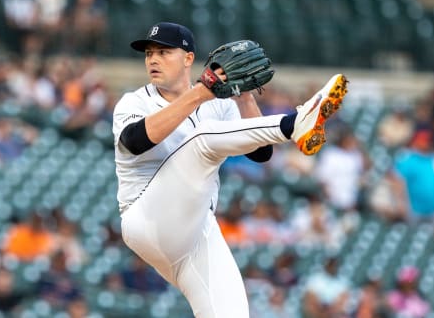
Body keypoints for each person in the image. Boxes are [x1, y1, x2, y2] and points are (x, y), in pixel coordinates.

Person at [113, 22, 348, 317]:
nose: (153, 60)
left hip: (196, 232)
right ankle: (295, 122)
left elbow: (261, 152)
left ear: (188, 58)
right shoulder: (134, 102)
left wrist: (244, 95)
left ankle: (296, 124)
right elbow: (134, 142)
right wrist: (201, 92)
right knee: (202, 140)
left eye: (163, 51)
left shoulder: (217, 104)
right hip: (146, 217)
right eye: (148, 54)